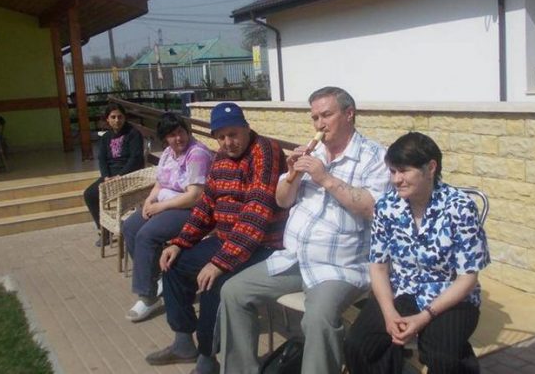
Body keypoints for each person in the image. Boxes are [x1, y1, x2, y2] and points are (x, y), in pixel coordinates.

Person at [219, 86, 391, 374]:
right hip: (295, 258)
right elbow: (282, 200)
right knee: (233, 292)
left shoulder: (375, 157)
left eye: (326, 115)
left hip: (341, 266)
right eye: (314, 118)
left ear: (349, 114)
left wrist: (325, 178)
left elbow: (374, 209)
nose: (319, 124)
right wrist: (293, 176)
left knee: (318, 318)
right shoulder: (314, 150)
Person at [145, 102, 288, 374]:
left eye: (233, 134)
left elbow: (256, 212)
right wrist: (180, 242)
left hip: (262, 244)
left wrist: (220, 262)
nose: (228, 142)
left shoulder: (265, 151)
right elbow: (206, 206)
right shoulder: (221, 157)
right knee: (172, 265)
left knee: (213, 281)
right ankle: (183, 342)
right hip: (226, 240)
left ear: (246, 128)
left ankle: (207, 359)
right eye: (221, 137)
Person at [344, 132, 491, 374]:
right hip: (402, 290)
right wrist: (389, 313)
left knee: (443, 356)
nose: (396, 179)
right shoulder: (387, 207)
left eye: (404, 171)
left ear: (430, 168)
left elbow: (467, 277)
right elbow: (378, 266)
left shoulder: (460, 207)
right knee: (359, 345)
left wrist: (424, 317)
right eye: (393, 171)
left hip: (450, 297)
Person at [122, 112, 213, 322]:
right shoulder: (168, 153)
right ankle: (156, 277)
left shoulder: (197, 154)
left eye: (181, 132)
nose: (178, 138)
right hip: (166, 205)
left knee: (146, 235)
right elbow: (160, 183)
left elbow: (195, 195)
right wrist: (149, 201)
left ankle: (147, 297)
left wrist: (160, 207)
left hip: (190, 209)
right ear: (165, 138)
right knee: (130, 227)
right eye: (172, 135)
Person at [83, 102, 145, 245]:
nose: (117, 120)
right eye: (113, 117)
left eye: (120, 117)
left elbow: (135, 158)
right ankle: (104, 231)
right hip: (110, 177)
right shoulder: (106, 137)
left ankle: (125, 228)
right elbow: (102, 159)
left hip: (127, 175)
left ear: (124, 117)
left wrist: (120, 175)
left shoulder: (133, 134)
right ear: (107, 119)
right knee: (90, 194)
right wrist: (106, 176)